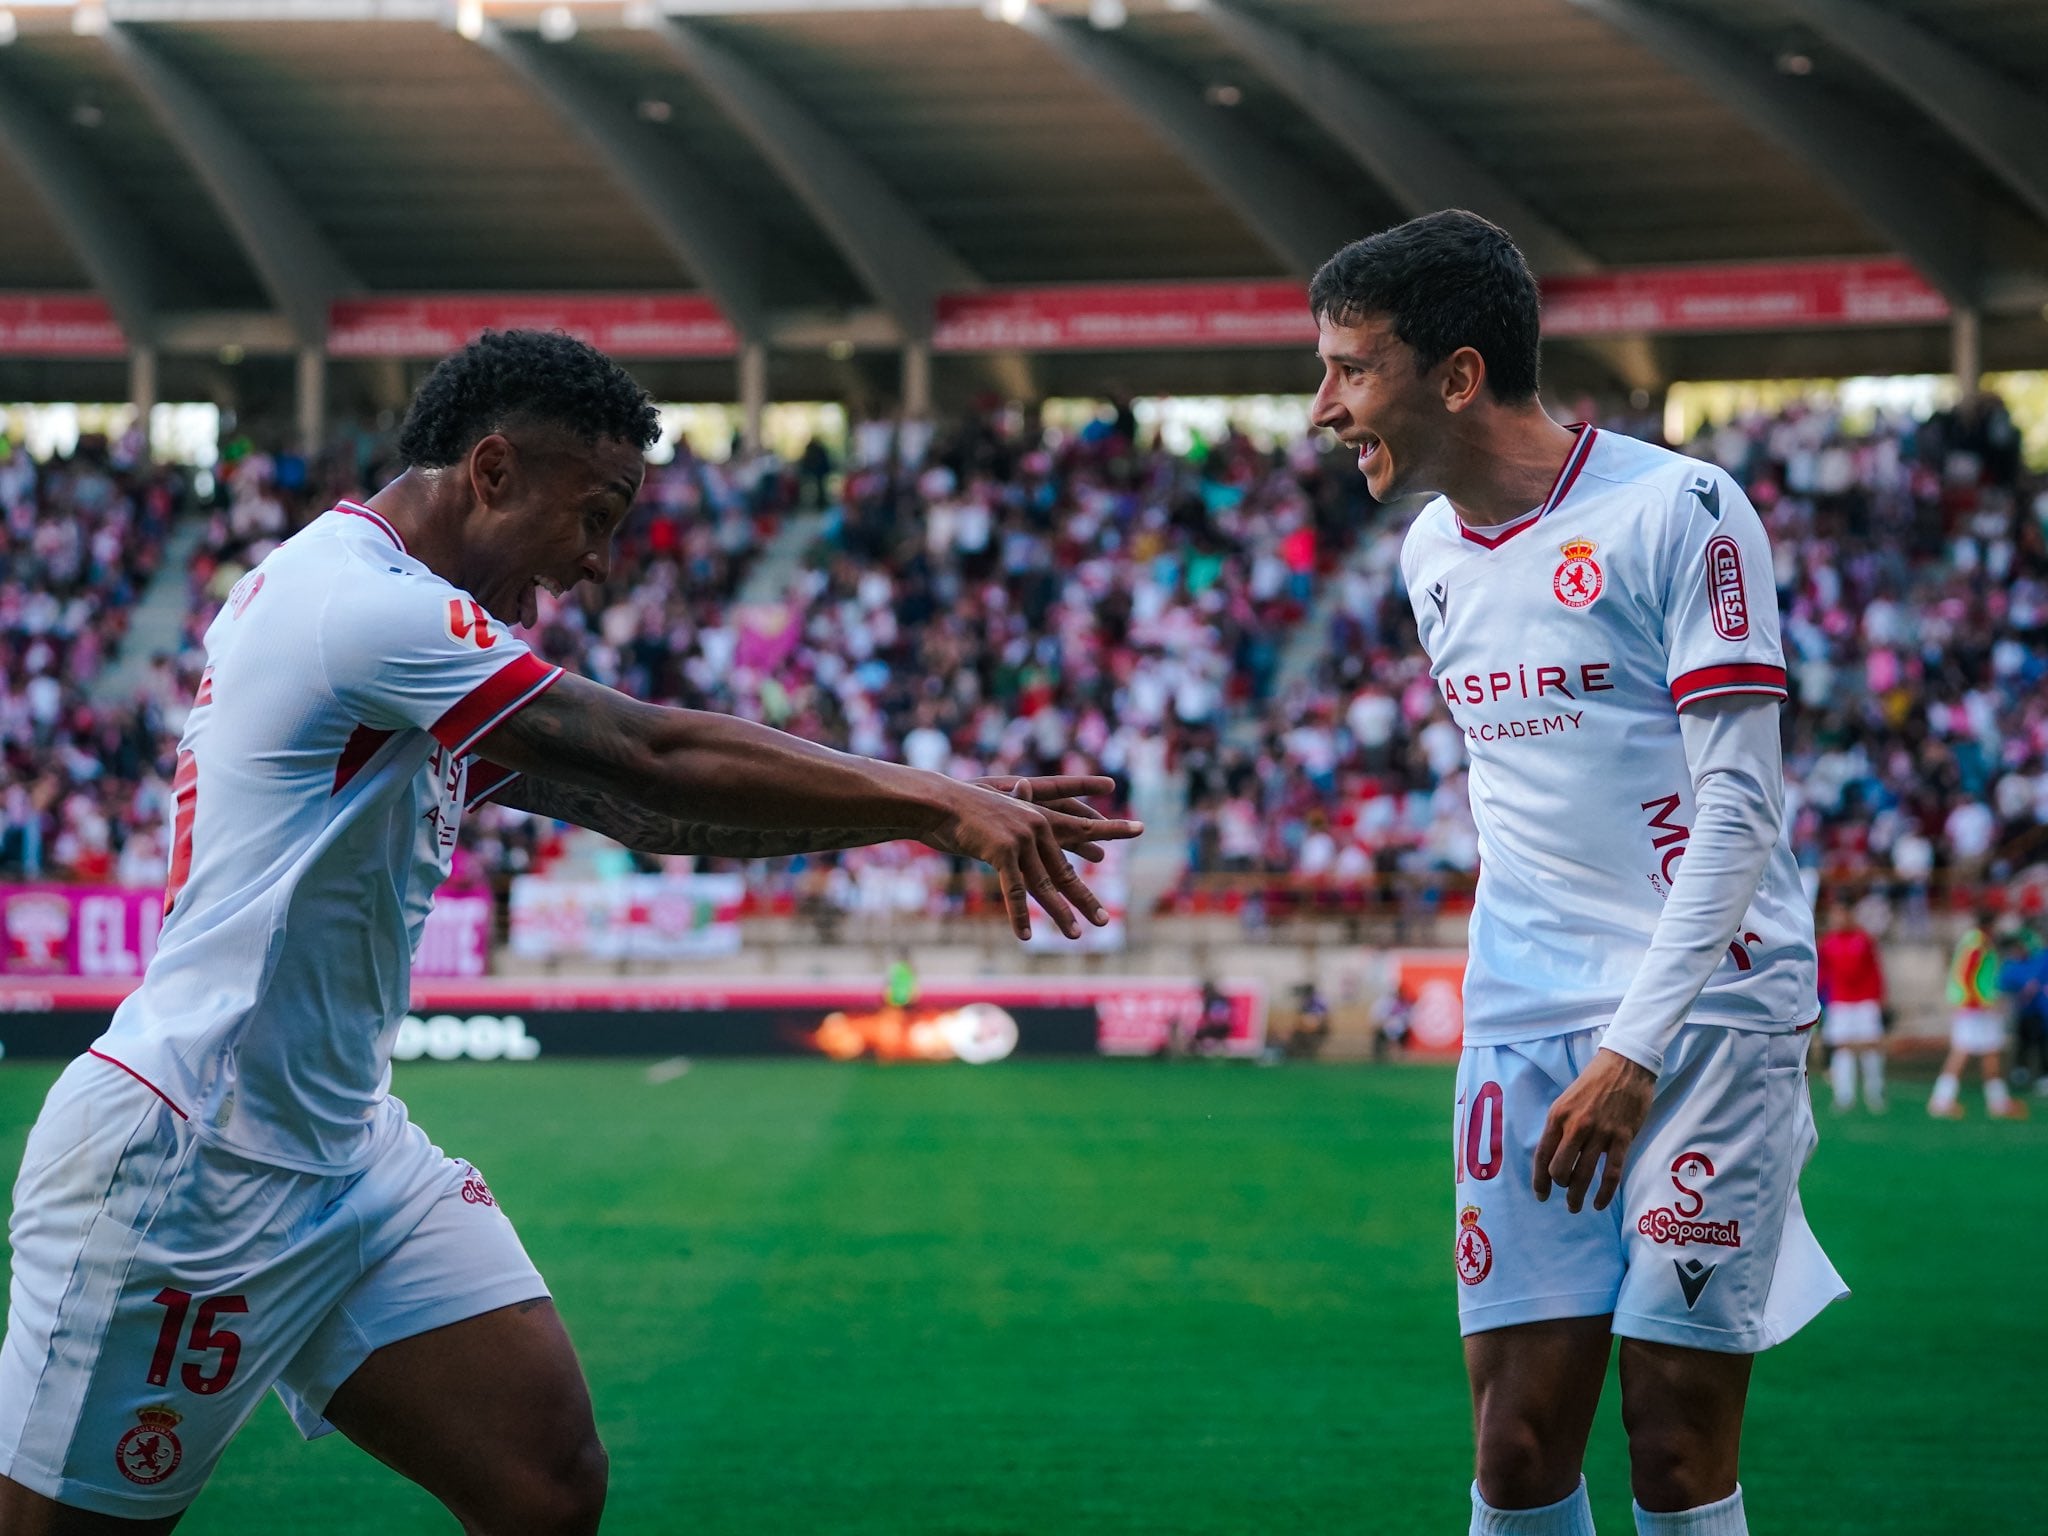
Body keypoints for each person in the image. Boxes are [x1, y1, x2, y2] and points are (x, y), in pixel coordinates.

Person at [0, 330, 1141, 1532]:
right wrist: (932, 797)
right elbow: (644, 749)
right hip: (192, 1157)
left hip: (343, 1156)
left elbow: (636, 803)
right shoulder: (357, 603)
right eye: (592, 517)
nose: (594, 566)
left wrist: (913, 823)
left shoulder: (386, 616)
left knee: (545, 1484)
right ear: (490, 470)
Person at [1310, 211, 1844, 1536]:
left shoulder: (1681, 507)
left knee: (1672, 1439)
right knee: (1518, 1446)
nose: (1323, 408)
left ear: (1458, 374)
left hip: (1705, 1014)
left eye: (1350, 369)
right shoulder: (1429, 557)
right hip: (1523, 1021)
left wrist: (1636, 1048)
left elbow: (1738, 807)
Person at [1928, 911, 2028, 1119]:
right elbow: (1967, 977)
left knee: (1990, 1050)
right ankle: (1941, 1100)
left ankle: (1997, 1102)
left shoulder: (1972, 942)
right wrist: (1982, 1002)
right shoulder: (1977, 945)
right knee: (1963, 1052)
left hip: (1974, 1007)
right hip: (1975, 1009)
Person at [1815, 898, 1888, 1111]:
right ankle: (1843, 1096)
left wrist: (1879, 998)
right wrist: (1816, 999)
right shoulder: (1827, 943)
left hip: (1865, 1001)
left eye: (1842, 914)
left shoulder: (1864, 940)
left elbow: (1875, 971)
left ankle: (1875, 1094)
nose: (1838, 919)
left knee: (1870, 1048)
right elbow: (1822, 974)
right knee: (1842, 1050)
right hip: (1840, 1002)